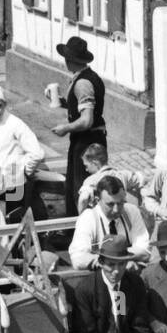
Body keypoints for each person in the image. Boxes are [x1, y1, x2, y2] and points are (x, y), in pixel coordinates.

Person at [50, 36, 107, 216]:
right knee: (76, 183)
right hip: (87, 139)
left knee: (82, 186)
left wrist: (65, 128)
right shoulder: (86, 77)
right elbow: (83, 108)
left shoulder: (83, 83)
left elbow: (87, 120)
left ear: (70, 60)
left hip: (87, 141)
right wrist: (63, 102)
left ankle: (80, 227)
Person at [0, 84, 45, 223]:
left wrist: (24, 172)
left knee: (12, 219)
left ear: (5, 105)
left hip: (13, 185)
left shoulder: (15, 124)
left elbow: (37, 153)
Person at [68, 174, 150, 269]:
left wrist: (115, 259)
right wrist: (115, 262)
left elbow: (145, 250)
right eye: (110, 204)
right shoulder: (88, 218)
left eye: (120, 203)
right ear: (98, 200)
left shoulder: (131, 211)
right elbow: (78, 259)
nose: (116, 209)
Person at [76, 142, 145, 212]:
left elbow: (83, 199)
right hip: (122, 216)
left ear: (95, 163)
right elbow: (142, 178)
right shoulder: (124, 174)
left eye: (86, 166)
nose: (86, 169)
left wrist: (81, 218)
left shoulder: (91, 180)